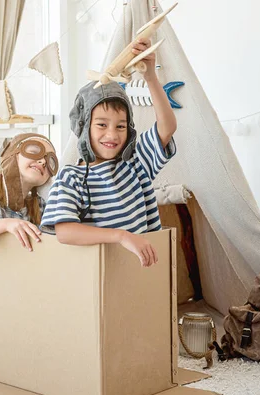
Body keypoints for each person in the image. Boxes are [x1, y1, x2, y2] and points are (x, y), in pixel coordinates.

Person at [41, 39, 177, 267]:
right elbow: (65, 231)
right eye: (102, 125)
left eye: (121, 126)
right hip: (101, 279)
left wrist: (150, 77)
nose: (112, 135)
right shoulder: (71, 178)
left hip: (142, 272)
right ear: (84, 128)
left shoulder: (136, 163)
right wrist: (121, 236)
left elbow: (167, 127)